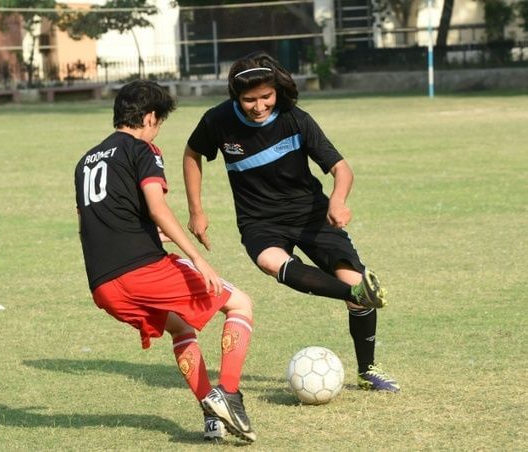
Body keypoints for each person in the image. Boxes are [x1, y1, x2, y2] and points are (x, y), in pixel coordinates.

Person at [183, 52, 400, 393]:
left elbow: (341, 169)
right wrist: (196, 210)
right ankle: (357, 293)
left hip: (312, 215)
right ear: (236, 97)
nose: (258, 106)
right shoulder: (218, 121)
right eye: (249, 99)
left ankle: (368, 370)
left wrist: (338, 201)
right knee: (272, 261)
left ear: (277, 91)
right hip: (259, 221)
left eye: (265, 97)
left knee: (354, 281)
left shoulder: (295, 119)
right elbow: (192, 153)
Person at [74, 80, 256, 443]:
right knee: (240, 304)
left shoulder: (85, 162)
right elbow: (157, 207)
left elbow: (94, 224)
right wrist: (196, 258)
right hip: (142, 269)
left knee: (180, 328)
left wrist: (150, 237)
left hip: (104, 284)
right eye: (160, 122)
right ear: (151, 117)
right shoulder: (144, 150)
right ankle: (229, 396)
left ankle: (211, 415)